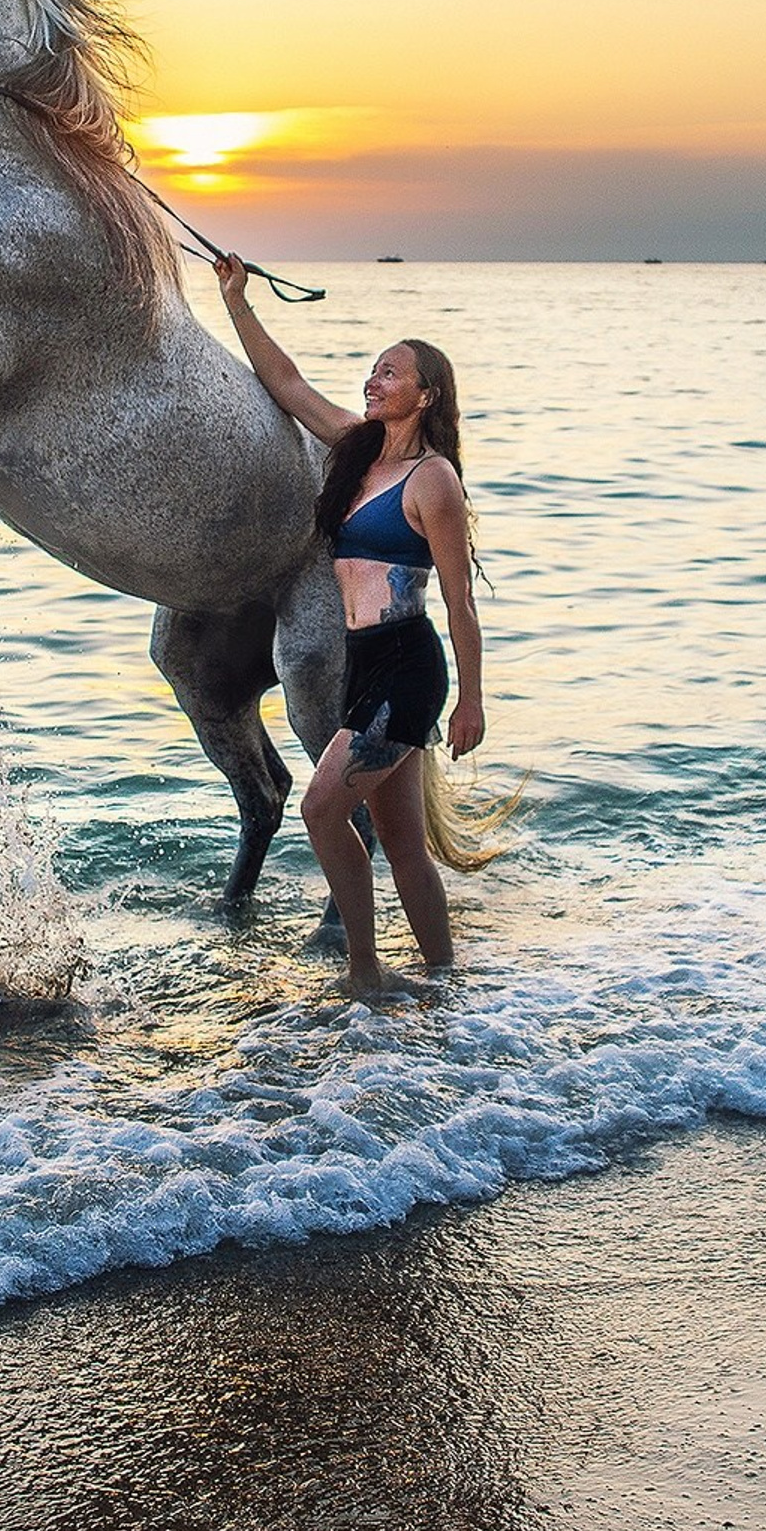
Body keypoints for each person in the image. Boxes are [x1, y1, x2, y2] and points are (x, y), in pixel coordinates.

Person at [214, 255, 495, 990]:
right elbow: (288, 385)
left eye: (390, 374)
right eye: (373, 370)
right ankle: (445, 983)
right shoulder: (358, 451)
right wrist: (237, 300)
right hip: (363, 662)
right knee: (404, 844)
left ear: (425, 395)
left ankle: (365, 971)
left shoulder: (433, 479)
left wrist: (470, 700)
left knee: (319, 808)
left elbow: (460, 602)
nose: (373, 381)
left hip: (407, 669)